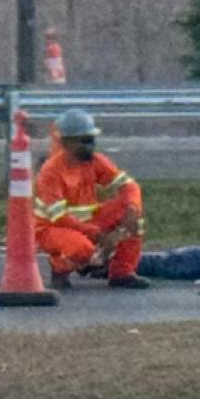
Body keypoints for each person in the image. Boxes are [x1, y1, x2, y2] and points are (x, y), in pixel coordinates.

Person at [33, 108, 150, 289]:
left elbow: (128, 185)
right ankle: (60, 268)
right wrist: (99, 235)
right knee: (82, 249)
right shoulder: (51, 172)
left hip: (89, 223)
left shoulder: (95, 161)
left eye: (92, 140)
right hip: (52, 228)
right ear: (67, 142)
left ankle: (122, 273)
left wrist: (132, 209)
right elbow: (59, 217)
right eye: (85, 141)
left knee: (135, 221)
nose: (91, 146)